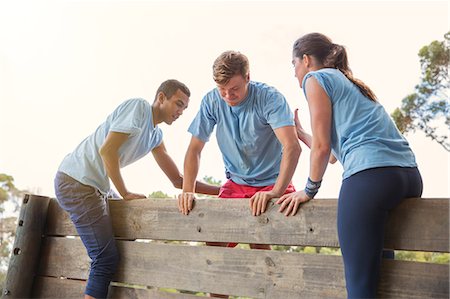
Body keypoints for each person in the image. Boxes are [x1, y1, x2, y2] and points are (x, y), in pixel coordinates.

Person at [277, 33, 423, 298]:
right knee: (380, 278)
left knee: (360, 289)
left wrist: (309, 190)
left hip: (371, 178)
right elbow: (332, 154)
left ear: (306, 60)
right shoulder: (348, 81)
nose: (295, 73)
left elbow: (322, 149)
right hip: (407, 176)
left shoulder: (315, 79)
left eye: (294, 65)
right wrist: (302, 134)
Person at [54, 79, 220, 299]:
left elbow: (178, 180)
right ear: (161, 98)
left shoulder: (155, 137)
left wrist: (223, 190)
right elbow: (107, 151)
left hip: (95, 187)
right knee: (105, 258)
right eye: (178, 104)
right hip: (76, 182)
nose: (181, 111)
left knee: (126, 236)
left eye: (185, 108)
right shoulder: (138, 108)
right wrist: (125, 193)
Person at [177, 51, 301, 297]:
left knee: (260, 239)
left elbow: (292, 146)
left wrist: (274, 191)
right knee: (214, 247)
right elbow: (194, 150)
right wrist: (187, 189)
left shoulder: (269, 98)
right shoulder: (213, 101)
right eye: (222, 90)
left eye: (234, 89)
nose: (228, 96)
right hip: (236, 182)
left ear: (248, 77)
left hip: (272, 182)